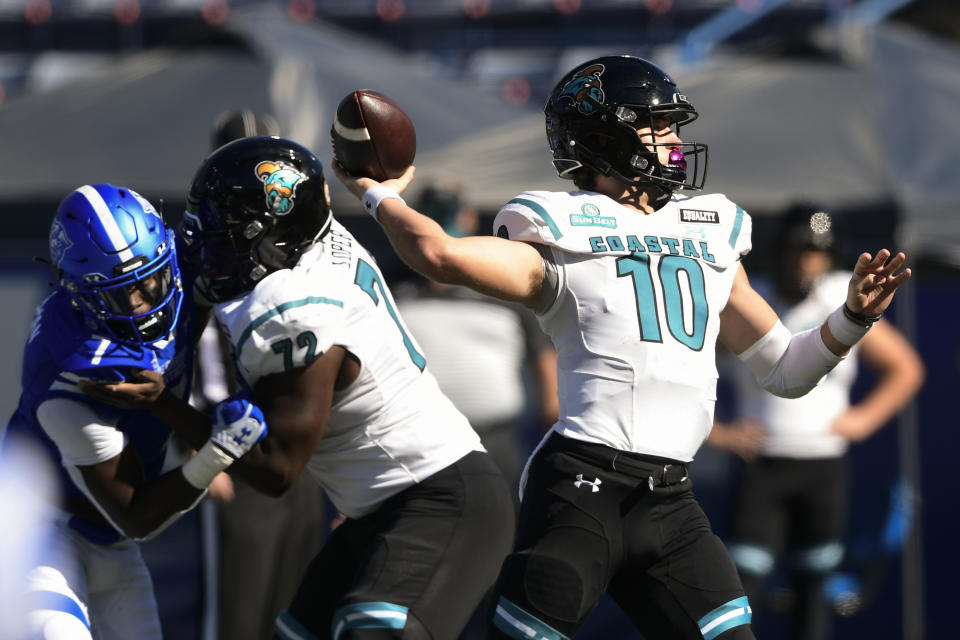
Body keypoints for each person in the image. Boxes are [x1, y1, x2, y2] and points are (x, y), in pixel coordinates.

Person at [331, 55, 913, 640]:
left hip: (671, 502)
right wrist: (381, 195)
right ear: (605, 138)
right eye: (658, 127)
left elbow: (788, 371)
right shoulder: (559, 230)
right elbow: (440, 255)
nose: (676, 142)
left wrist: (853, 318)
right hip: (581, 492)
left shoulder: (708, 231)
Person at [82, 136, 516, 640]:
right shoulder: (318, 238)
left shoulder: (297, 312)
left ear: (274, 235)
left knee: (371, 634)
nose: (209, 247)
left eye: (227, 236)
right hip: (379, 507)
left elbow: (275, 470)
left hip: (439, 501)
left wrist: (166, 406)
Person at [2, 183, 265, 640]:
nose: (145, 302)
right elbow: (137, 515)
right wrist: (217, 453)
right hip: (47, 535)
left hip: (113, 547)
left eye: (151, 281)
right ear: (83, 297)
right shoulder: (73, 372)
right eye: (122, 295)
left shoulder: (185, 270)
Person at [707, 206, 925, 640]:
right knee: (740, 590)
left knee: (813, 593)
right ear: (779, 252)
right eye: (797, 250)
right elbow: (683, 365)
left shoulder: (842, 299)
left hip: (822, 464)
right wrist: (717, 432)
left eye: (817, 252)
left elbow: (906, 367)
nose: (806, 261)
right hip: (762, 462)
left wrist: (863, 419)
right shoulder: (753, 299)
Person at [198, 109, 328, 640]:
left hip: (303, 451)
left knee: (293, 606)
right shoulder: (210, 239)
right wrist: (203, 454)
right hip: (239, 449)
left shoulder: (311, 239)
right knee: (238, 609)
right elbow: (193, 348)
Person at [394, 180, 559, 503]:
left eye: (448, 214)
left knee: (497, 537)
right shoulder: (390, 283)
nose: (440, 224)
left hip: (494, 443)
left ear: (469, 218)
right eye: (430, 215)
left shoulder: (504, 284)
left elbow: (546, 366)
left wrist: (553, 447)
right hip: (411, 443)